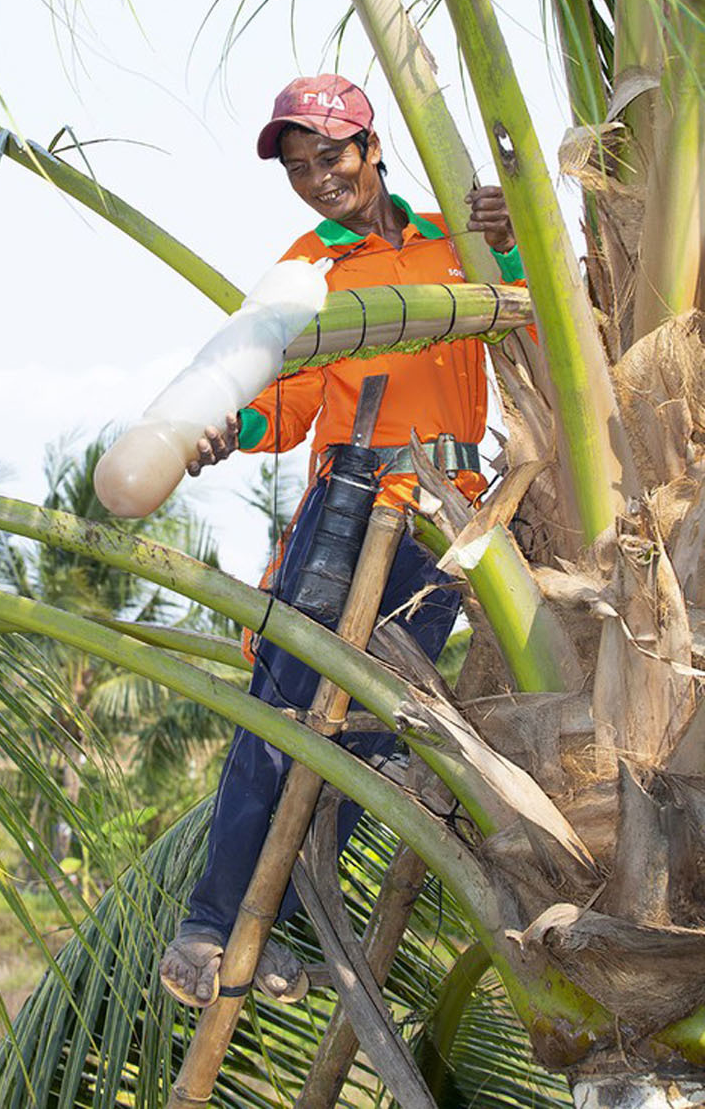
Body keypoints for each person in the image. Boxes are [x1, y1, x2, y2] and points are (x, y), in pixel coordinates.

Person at [159, 74, 520, 1009]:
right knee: (283, 718)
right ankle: (207, 927)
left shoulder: (456, 240)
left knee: (368, 737)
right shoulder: (307, 266)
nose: (317, 180)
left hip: (452, 515)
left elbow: (540, 314)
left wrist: (513, 229)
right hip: (354, 502)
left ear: (370, 149)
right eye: (297, 168)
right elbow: (283, 390)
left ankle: (270, 928)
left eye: (330, 158)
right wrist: (224, 429)